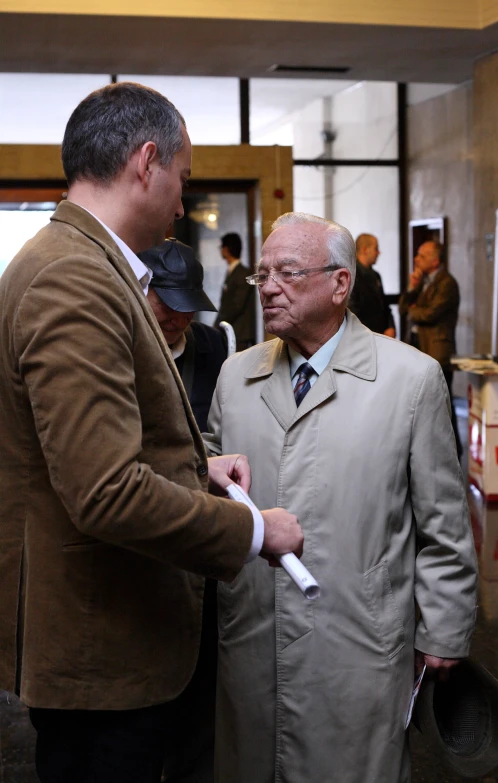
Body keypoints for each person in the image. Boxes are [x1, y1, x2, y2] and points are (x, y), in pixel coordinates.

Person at [0, 82, 303, 783]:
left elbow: (90, 447)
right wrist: (258, 533)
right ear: (146, 162)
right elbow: (104, 490)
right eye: (183, 180)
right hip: (101, 647)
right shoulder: (73, 279)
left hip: (101, 642)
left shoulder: (85, 265)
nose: (180, 203)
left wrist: (198, 471)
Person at [205, 212, 478, 783]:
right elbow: (201, 486)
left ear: (339, 283)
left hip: (358, 639)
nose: (270, 287)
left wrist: (445, 628)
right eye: (263, 275)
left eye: (287, 272)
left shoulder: (411, 380)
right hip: (254, 631)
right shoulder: (235, 377)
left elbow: (443, 522)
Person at [139, 237, 228, 783]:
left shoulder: (214, 348)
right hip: (145, 537)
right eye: (165, 302)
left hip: (203, 539)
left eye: (186, 303)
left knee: (202, 698)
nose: (176, 316)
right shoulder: (118, 341)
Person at [140, 237, 227, 432]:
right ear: (139, 291)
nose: (179, 321)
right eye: (168, 305)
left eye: (188, 306)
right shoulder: (114, 344)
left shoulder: (213, 345)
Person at [399, 240, 462, 457]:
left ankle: (454, 451)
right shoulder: (423, 282)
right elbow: (403, 306)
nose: (416, 260)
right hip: (418, 346)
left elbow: (430, 314)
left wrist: (413, 310)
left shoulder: (447, 283)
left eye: (422, 256)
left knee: (443, 401)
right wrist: (412, 289)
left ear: (435, 261)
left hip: (437, 349)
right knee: (421, 401)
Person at [214, 232, 255, 350]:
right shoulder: (234, 272)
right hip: (231, 332)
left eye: (221, 247)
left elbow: (235, 306)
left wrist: (217, 324)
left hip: (239, 333)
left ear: (226, 249)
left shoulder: (243, 274)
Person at [350, 232, 396, 336]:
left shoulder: (376, 275)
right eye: (376, 248)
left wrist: (390, 326)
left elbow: (384, 305)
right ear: (365, 250)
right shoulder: (353, 275)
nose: (379, 252)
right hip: (363, 335)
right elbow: (352, 310)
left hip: (380, 334)